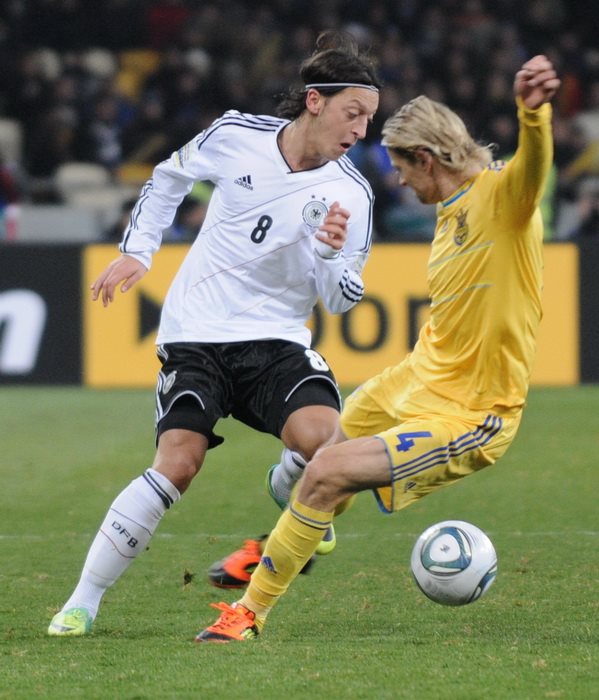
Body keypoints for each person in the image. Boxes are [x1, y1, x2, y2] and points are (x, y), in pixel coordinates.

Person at [196, 54, 560, 643]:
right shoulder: (451, 211)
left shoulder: (502, 201)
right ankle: (294, 540)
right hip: (413, 379)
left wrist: (533, 114)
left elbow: (534, 169)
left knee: (326, 473)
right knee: (312, 466)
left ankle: (248, 614)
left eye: (400, 166)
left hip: (472, 411)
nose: (397, 180)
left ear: (427, 158)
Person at [47, 30, 381, 636]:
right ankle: (82, 601)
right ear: (315, 101)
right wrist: (138, 251)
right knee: (178, 463)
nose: (360, 130)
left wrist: (332, 256)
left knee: (329, 449)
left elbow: (341, 298)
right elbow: (168, 176)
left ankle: (288, 480)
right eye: (353, 113)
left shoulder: (351, 194)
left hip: (277, 340)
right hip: (197, 333)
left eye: (368, 119)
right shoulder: (235, 136)